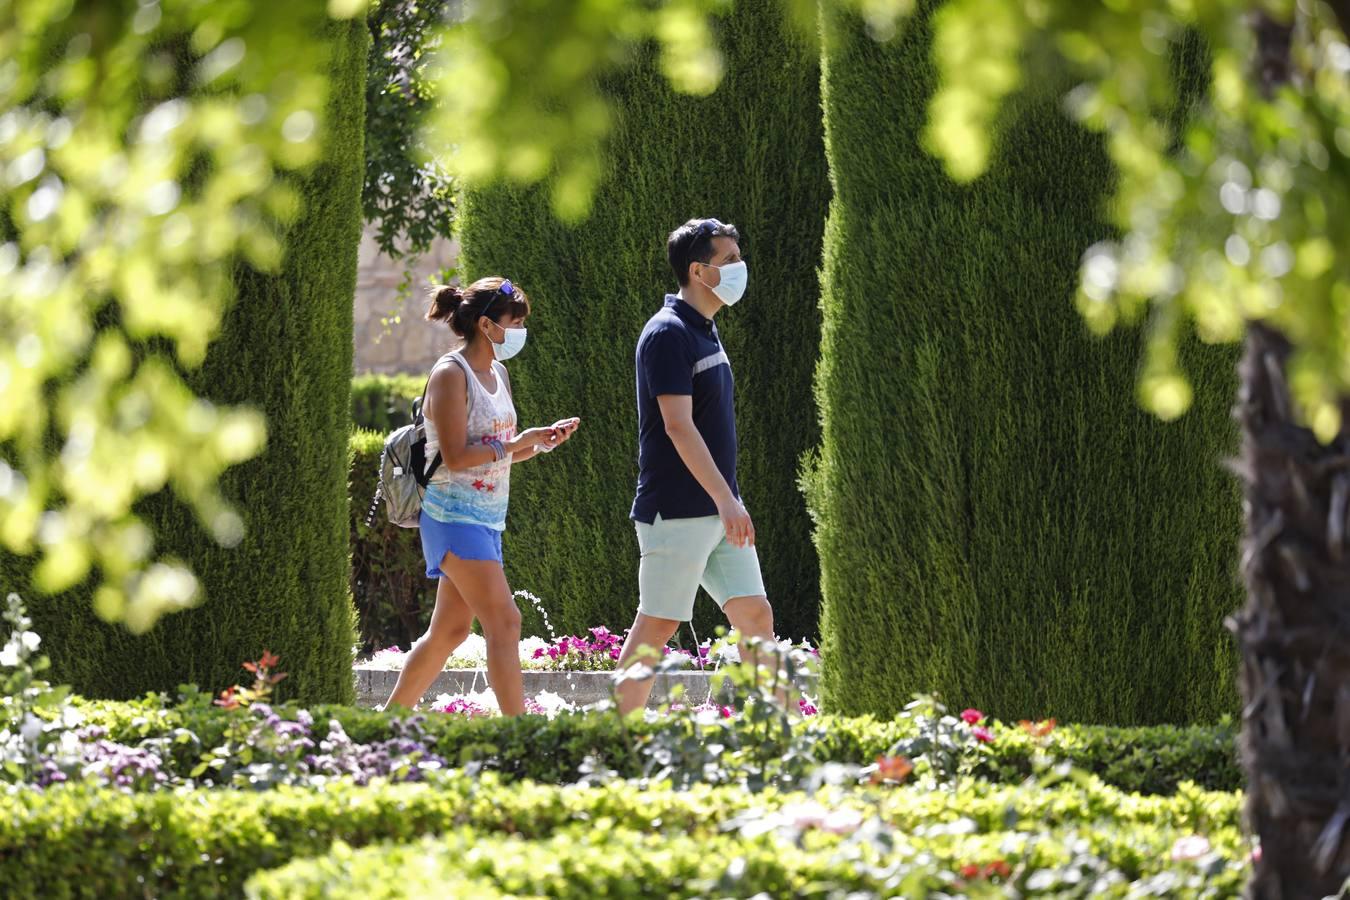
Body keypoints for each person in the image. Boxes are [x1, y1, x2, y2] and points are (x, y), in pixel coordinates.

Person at [382, 276, 580, 714]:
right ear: (487, 324)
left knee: (449, 633)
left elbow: (494, 456)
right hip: (452, 518)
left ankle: (389, 723)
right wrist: (516, 443)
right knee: (506, 622)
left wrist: (538, 443)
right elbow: (455, 456)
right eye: (516, 321)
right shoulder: (451, 374)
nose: (521, 331)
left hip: (488, 520)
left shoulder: (499, 372)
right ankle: (519, 737)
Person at [614, 218, 777, 715]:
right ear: (698, 272)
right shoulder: (668, 333)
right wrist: (726, 499)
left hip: (718, 508)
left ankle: (788, 737)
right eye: (729, 261)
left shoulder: (705, 330)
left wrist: (729, 499)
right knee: (657, 626)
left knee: (755, 615)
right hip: (678, 510)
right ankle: (613, 743)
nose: (739, 269)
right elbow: (678, 426)